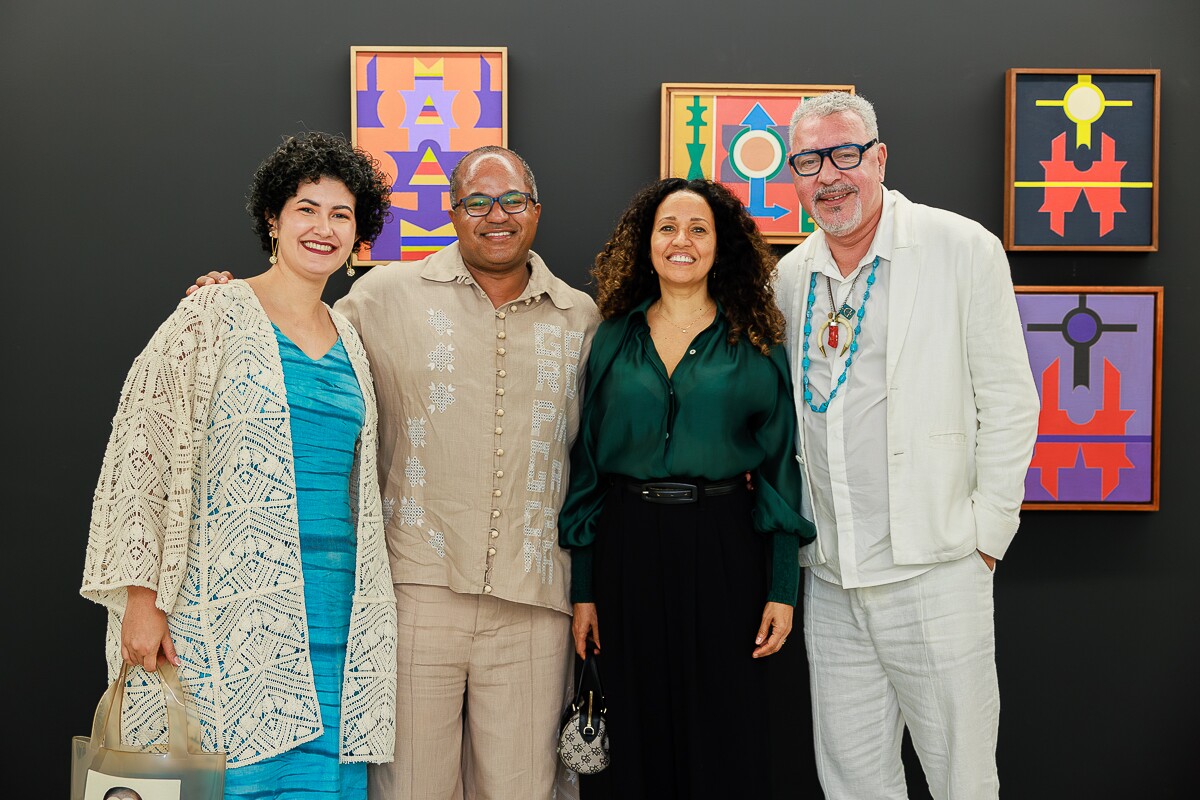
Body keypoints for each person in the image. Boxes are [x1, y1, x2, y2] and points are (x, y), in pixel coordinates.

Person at [190, 145, 600, 800]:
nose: (496, 215)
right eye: (477, 202)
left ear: (536, 211)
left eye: (512, 200)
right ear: (452, 212)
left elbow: (605, 450)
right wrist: (234, 302)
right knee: (406, 790)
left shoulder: (580, 317)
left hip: (534, 600)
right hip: (412, 594)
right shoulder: (384, 295)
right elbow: (301, 340)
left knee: (525, 791)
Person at [82, 131, 398, 800]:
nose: (324, 227)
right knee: (227, 776)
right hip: (228, 611)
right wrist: (143, 597)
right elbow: (143, 452)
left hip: (335, 616)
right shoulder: (213, 313)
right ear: (273, 219)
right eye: (306, 209)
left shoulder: (352, 340)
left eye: (342, 215)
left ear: (358, 235)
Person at [774, 91, 1040, 799]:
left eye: (845, 154)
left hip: (937, 568)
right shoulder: (790, 275)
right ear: (793, 177)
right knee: (853, 780)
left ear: (879, 159)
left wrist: (988, 536)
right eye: (809, 160)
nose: (829, 174)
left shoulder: (960, 247)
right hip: (831, 577)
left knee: (961, 778)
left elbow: (1011, 400)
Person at [559, 177, 815, 798]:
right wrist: (586, 588)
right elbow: (589, 464)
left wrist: (782, 587)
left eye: (698, 229)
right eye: (667, 228)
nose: (682, 241)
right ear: (645, 243)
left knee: (724, 731)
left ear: (720, 244)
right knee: (636, 728)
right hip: (628, 546)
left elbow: (782, 465)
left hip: (725, 545)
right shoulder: (613, 335)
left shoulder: (754, 338)